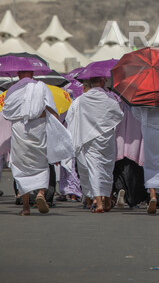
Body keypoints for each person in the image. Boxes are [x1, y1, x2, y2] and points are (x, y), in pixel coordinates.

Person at [2, 71, 57, 215]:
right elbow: (51, 110)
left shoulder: (12, 90)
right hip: (38, 128)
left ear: (19, 74)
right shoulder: (41, 86)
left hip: (20, 129)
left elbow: (6, 112)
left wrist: (23, 113)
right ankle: (40, 193)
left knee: (21, 166)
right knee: (41, 162)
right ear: (32, 73)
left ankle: (26, 207)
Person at [66, 77, 123, 213]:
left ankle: (98, 201)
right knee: (107, 168)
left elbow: (70, 117)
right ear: (102, 82)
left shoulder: (82, 99)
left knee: (94, 168)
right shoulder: (109, 97)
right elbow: (119, 115)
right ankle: (107, 199)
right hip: (106, 138)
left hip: (89, 138)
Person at [113, 102, 147, 209]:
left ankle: (120, 190)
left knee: (119, 169)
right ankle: (132, 200)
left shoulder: (120, 103)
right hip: (136, 141)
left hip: (121, 141)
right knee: (135, 171)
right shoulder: (141, 105)